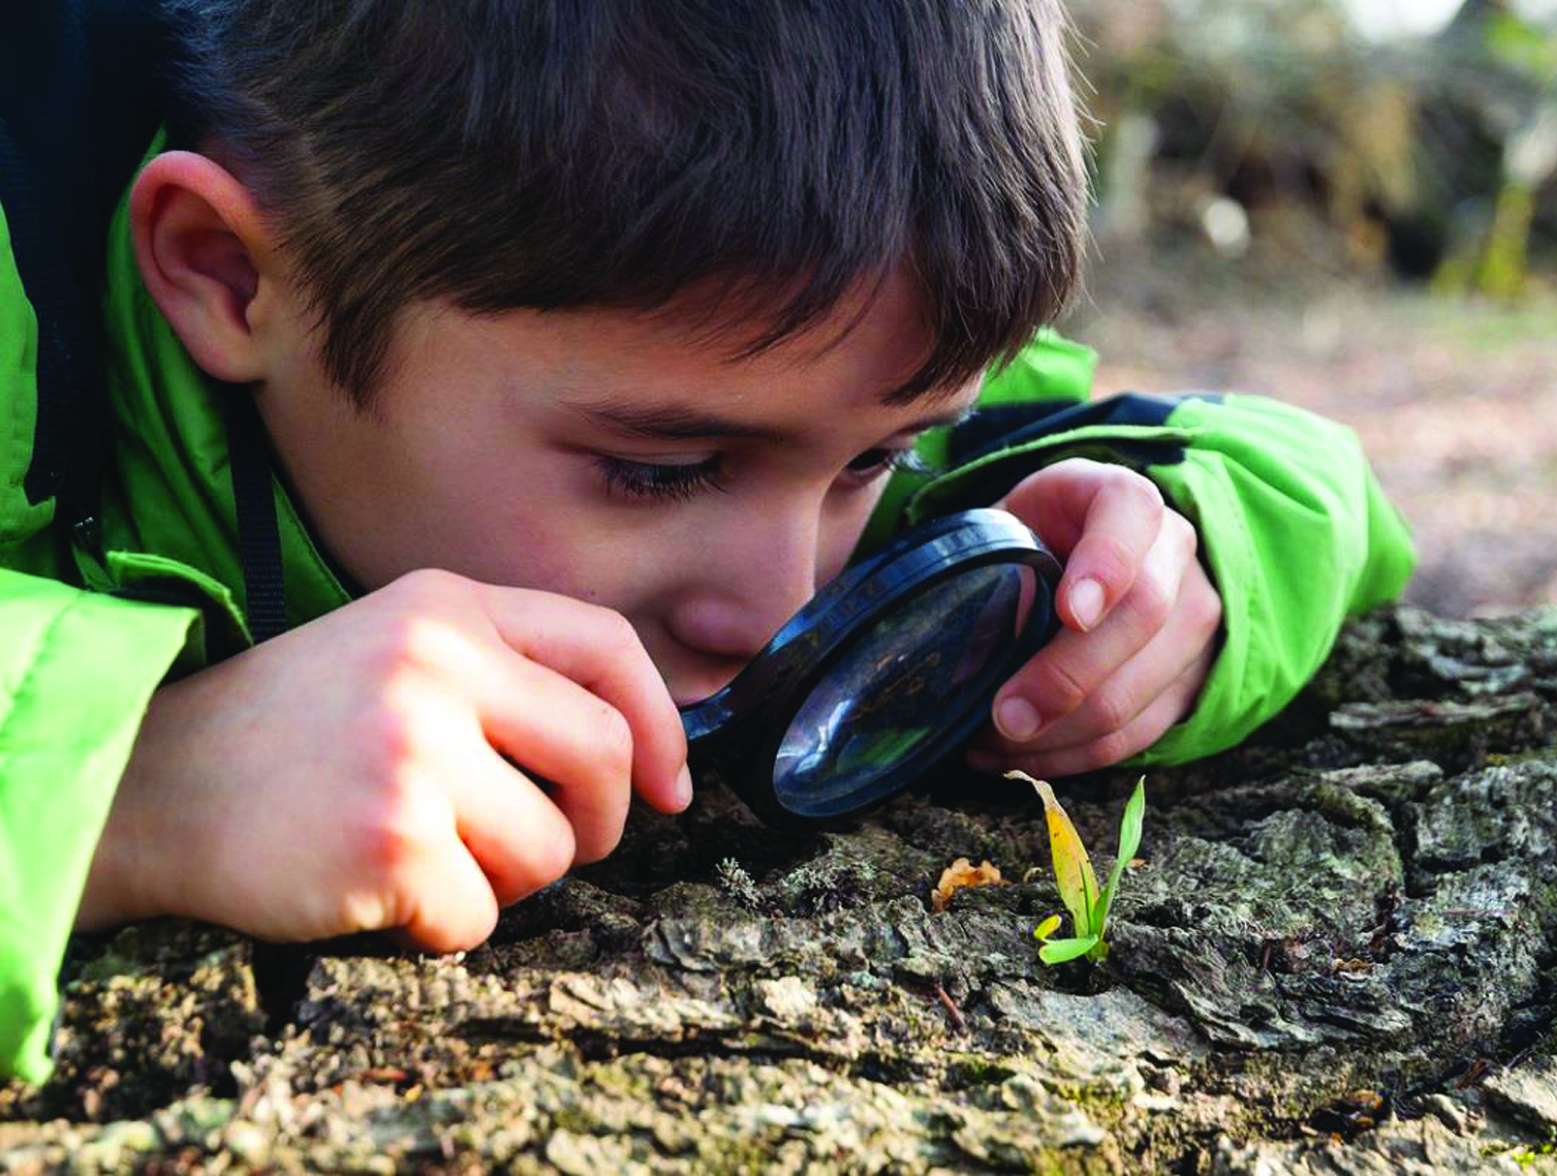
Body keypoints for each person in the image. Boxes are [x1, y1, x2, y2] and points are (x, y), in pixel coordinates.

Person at [0, 0, 1415, 1083]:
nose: (781, 596)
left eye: (879, 456)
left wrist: (1188, 557)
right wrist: (128, 785)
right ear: (231, 272)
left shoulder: (800, 355)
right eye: (658, 469)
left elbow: (1288, 467)